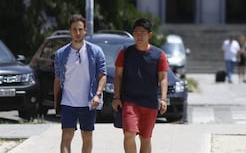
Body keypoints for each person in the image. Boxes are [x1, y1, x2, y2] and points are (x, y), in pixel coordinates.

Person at [112, 18, 169, 153]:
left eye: (142, 32)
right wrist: (116, 97)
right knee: (129, 134)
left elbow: (163, 78)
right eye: (136, 33)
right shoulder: (125, 53)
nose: (139, 35)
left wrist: (163, 99)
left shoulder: (158, 55)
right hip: (130, 101)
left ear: (150, 35)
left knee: (145, 138)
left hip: (149, 102)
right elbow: (118, 76)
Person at [54, 14, 107, 153]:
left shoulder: (95, 52)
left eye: (80, 29)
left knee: (87, 136)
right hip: (67, 102)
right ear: (70, 31)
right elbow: (58, 79)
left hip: (88, 102)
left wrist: (98, 95)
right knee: (66, 135)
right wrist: (56, 102)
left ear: (85, 30)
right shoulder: (61, 54)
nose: (77, 33)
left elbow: (102, 75)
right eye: (74, 29)